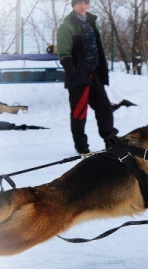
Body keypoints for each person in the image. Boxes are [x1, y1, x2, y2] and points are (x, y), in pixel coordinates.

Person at [57, 0, 117, 154]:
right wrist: (75, 73)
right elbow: (64, 54)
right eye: (79, 3)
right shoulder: (66, 26)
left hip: (94, 72)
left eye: (85, 3)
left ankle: (110, 141)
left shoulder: (91, 22)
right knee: (79, 112)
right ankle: (82, 146)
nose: (83, 6)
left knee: (104, 108)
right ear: (73, 5)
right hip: (78, 76)